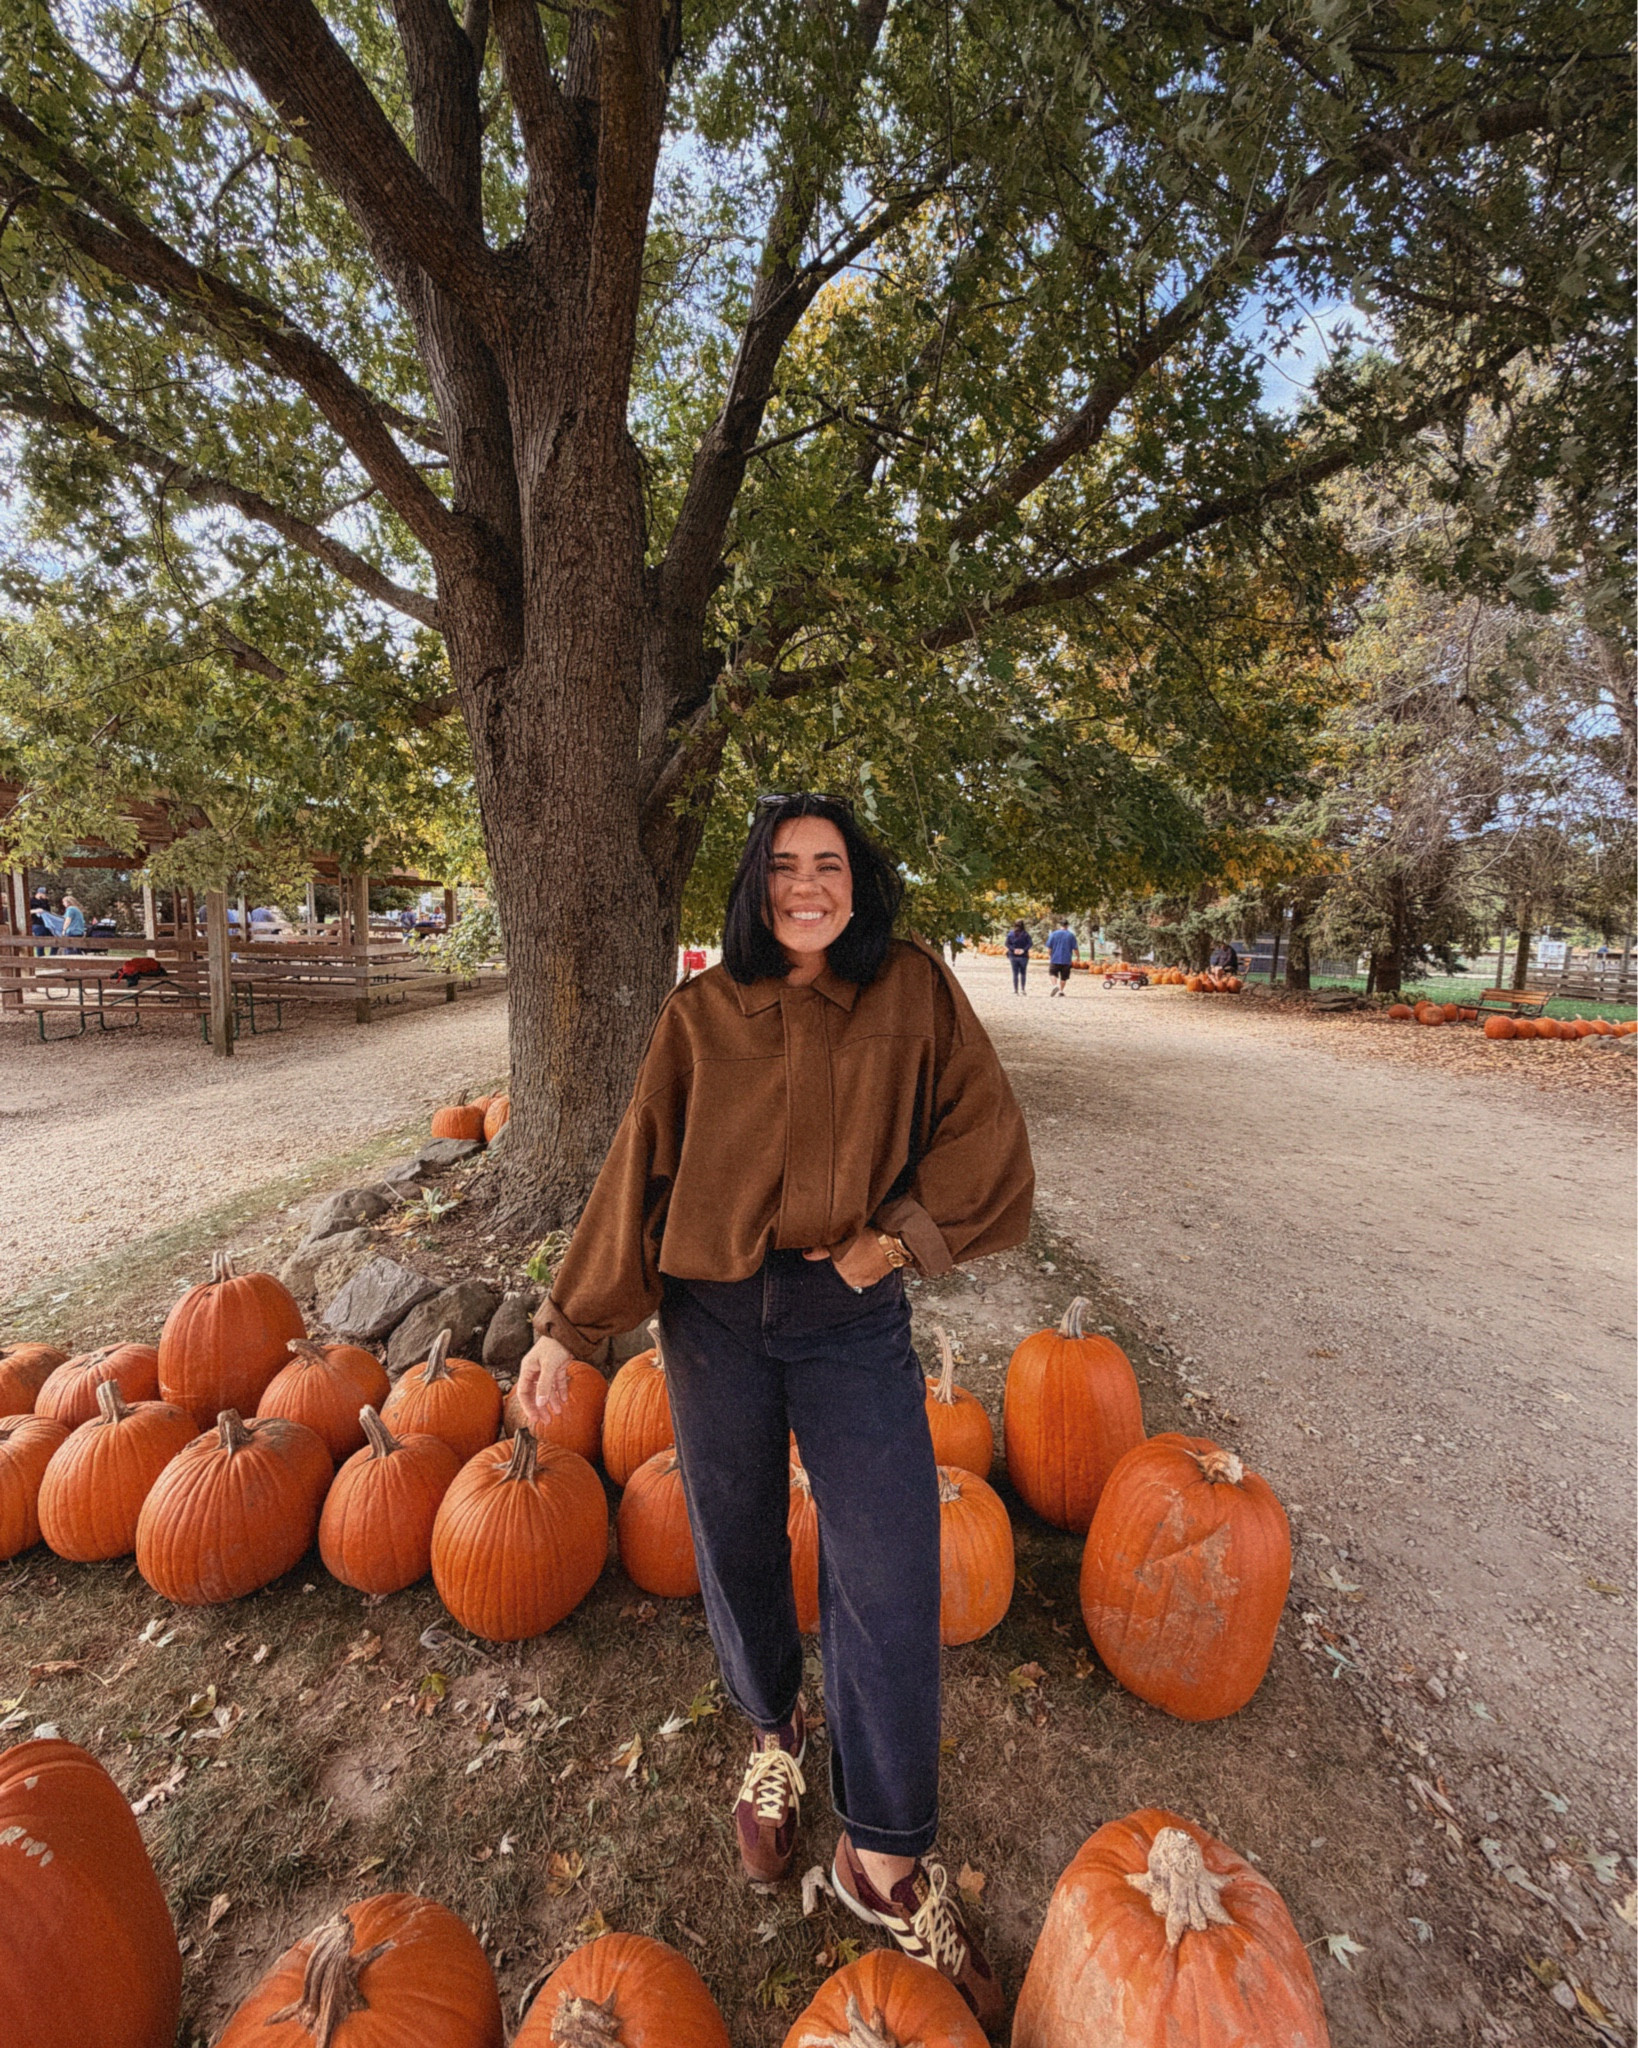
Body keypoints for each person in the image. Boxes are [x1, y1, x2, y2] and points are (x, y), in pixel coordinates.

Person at [516, 792, 1033, 2028]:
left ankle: (885, 1851)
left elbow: (988, 1135)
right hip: (712, 1321)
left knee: (890, 1562)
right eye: (786, 866)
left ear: (860, 881)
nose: (808, 885)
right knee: (735, 1534)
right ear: (756, 886)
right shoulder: (699, 1015)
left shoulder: (912, 990)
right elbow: (638, 1167)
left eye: (830, 864)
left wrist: (896, 1241)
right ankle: (772, 1729)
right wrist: (566, 1327)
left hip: (850, 1318)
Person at [1046, 916, 1079, 994]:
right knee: (1064, 977)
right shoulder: (1071, 935)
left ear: (1060, 925)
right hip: (1066, 959)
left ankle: (1055, 986)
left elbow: (1049, 947)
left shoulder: (1053, 934)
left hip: (1055, 958)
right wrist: (1078, 957)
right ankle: (1061, 991)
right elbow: (1075, 948)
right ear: (1067, 925)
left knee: (1052, 973)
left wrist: (1049, 955)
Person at [1004, 920, 1032, 994]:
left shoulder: (1010, 934)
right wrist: (1024, 950)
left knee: (1015, 973)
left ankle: (1015, 989)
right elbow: (1030, 943)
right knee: (1023, 973)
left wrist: (1013, 950)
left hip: (1013, 955)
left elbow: (1007, 943)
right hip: (1024, 956)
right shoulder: (1026, 934)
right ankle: (1023, 989)